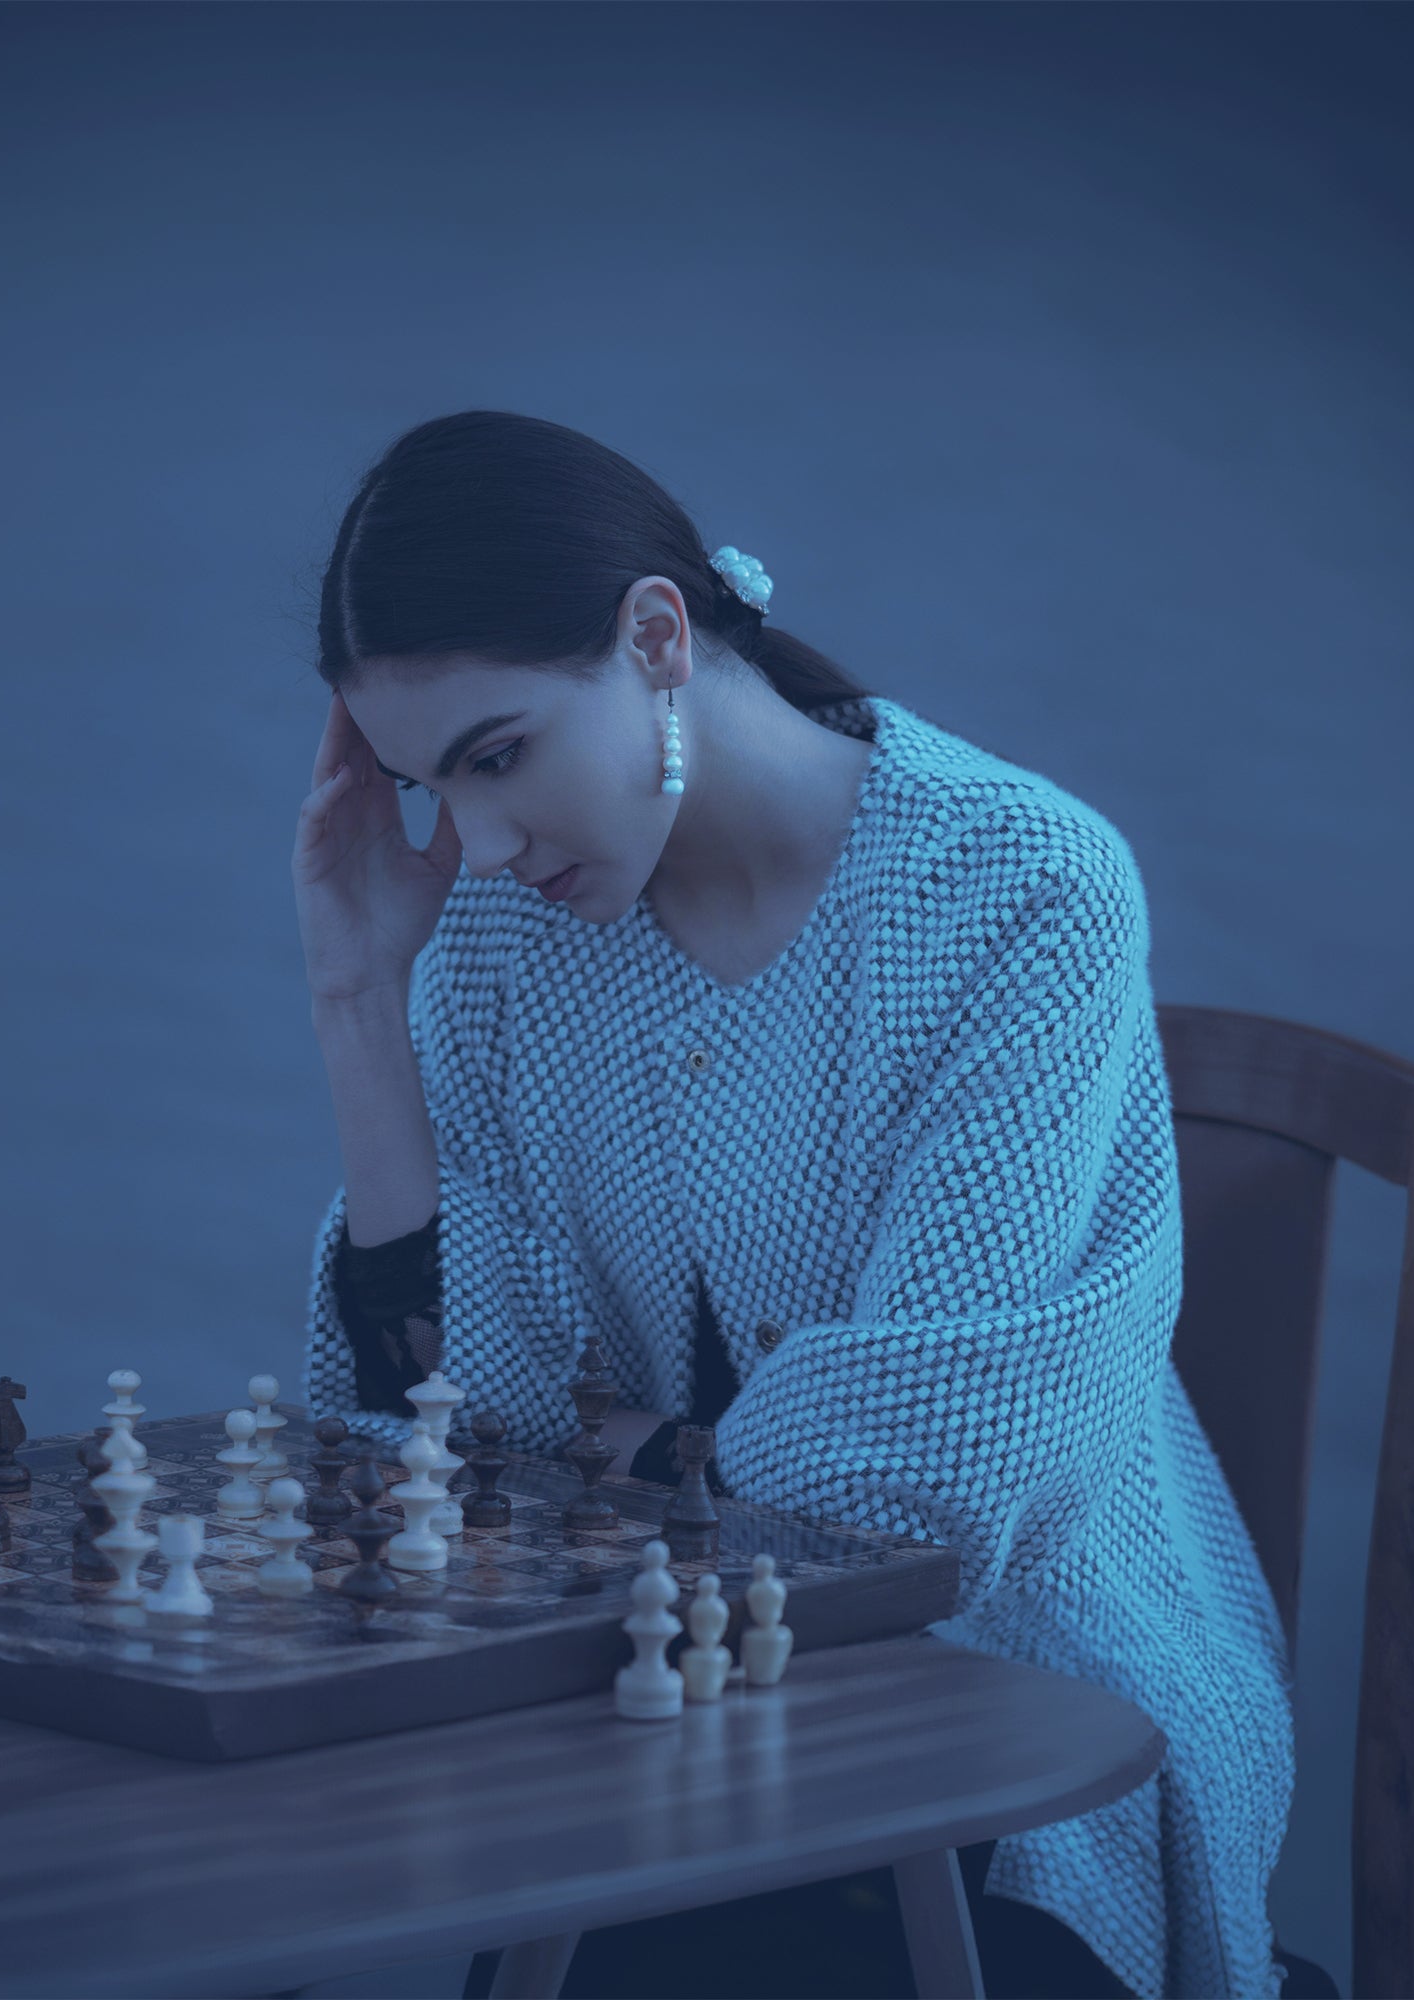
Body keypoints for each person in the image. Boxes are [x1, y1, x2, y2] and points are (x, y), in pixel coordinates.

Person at [291, 410, 1311, 1999]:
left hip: (1023, 1721)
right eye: (431, 788)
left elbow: (910, 1506)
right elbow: (454, 1441)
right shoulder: (495, 942)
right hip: (651, 1711)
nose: (474, 846)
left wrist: (620, 1449)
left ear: (653, 638)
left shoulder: (1019, 888)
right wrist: (360, 998)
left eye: (498, 758)